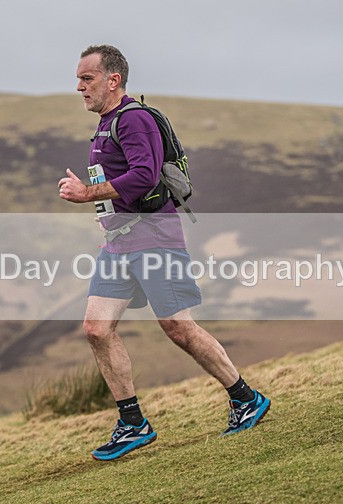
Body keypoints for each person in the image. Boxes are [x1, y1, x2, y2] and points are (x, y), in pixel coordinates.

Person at [58, 44, 270, 461]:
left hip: (155, 237)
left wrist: (87, 194)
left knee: (178, 328)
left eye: (87, 78)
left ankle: (245, 398)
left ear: (112, 80)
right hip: (120, 243)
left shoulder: (134, 119)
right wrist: (107, 219)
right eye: (79, 78)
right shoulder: (106, 124)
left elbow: (144, 175)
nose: (78, 86)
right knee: (96, 329)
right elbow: (125, 183)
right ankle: (133, 423)